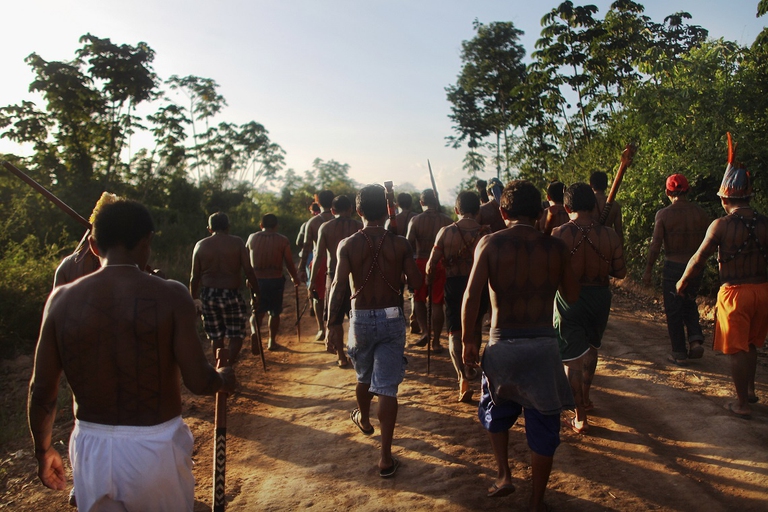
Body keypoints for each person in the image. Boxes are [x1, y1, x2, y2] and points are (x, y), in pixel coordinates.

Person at [28, 199, 237, 511]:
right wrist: (223, 379)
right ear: (147, 241)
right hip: (155, 447)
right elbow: (198, 380)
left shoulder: (61, 300)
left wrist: (42, 451)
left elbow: (41, 389)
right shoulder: (171, 294)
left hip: (90, 447)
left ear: (93, 245)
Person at [462, 180, 579, 510]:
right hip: (543, 345)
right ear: (541, 211)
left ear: (502, 211)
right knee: (544, 425)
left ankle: (504, 475)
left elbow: (472, 295)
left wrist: (469, 339)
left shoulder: (489, 243)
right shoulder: (554, 248)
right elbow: (572, 295)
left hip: (503, 345)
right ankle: (536, 501)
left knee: (494, 411)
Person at [328, 184, 421, 478]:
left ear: (359, 212)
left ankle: (365, 420)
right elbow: (418, 283)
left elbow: (338, 286)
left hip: (360, 320)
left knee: (364, 378)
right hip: (392, 318)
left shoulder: (347, 244)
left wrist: (332, 325)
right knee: (387, 388)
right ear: (387, 210)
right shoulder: (400, 243)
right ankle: (385, 458)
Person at [677, 163, 768, 419]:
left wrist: (682, 281)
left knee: (738, 349)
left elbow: (699, 258)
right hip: (763, 291)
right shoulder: (765, 224)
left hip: (735, 294)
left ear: (725, 198)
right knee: (750, 344)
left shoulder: (721, 225)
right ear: (748, 196)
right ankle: (749, 392)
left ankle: (741, 404)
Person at [552, 183, 626, 434]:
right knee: (592, 348)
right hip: (599, 297)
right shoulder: (610, 236)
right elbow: (621, 271)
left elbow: (549, 273)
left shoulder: (558, 234)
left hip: (568, 299)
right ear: (594, 207)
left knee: (572, 358)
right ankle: (586, 397)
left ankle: (580, 415)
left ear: (567, 207)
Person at [426, 191, 489, 402]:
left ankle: (462, 378)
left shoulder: (445, 232)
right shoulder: (484, 234)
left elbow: (431, 264)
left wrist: (429, 278)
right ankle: (471, 366)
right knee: (475, 327)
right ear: (478, 210)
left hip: (453, 285)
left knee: (455, 332)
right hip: (478, 287)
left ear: (456, 210)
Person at [643, 174, 710, 365]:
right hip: (696, 266)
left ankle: (679, 352)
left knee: (673, 309)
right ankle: (695, 338)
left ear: (667, 192)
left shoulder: (663, 215)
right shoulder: (701, 214)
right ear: (688, 190)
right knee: (689, 301)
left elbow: (656, 245)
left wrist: (648, 269)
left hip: (673, 266)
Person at [190, 212, 259, 362]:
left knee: (216, 336)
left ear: (209, 228)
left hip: (209, 296)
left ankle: (220, 366)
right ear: (228, 227)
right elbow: (249, 271)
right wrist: (257, 292)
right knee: (236, 335)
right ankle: (228, 365)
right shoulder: (237, 243)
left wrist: (194, 299)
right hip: (231, 295)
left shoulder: (200, 245)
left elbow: (194, 277)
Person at [310, 195, 362, 367]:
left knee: (336, 317)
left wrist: (312, 281)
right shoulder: (358, 226)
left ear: (332, 211)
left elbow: (318, 256)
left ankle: (341, 355)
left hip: (334, 275)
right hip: (356, 275)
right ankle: (359, 353)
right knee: (357, 315)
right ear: (350, 209)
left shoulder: (325, 227)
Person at [406, 189, 453, 352]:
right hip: (440, 263)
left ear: (421, 203)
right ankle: (436, 341)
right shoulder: (447, 220)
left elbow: (408, 244)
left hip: (420, 261)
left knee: (419, 299)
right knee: (437, 302)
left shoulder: (416, 220)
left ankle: (426, 332)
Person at [246, 213, 299, 351]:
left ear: (261, 225)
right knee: (274, 313)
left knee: (257, 312)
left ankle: (254, 332)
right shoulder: (282, 240)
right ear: (276, 226)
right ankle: (271, 341)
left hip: (257, 281)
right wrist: (295, 278)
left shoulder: (252, 238)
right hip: (275, 280)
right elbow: (288, 262)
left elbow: (245, 260)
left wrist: (248, 278)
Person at [299, 190, 335, 340]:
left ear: (318, 203)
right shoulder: (338, 220)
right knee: (337, 295)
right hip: (336, 261)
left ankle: (321, 328)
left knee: (317, 296)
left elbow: (306, 247)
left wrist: (301, 268)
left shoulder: (312, 223)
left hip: (318, 264)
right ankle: (333, 326)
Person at [392, 192, 420, 334]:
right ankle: (414, 315)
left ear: (397, 204)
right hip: (414, 258)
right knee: (413, 291)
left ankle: (400, 318)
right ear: (411, 203)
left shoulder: (392, 220)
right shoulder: (417, 219)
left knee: (397, 292)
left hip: (395, 260)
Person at [297, 202, 321, 318]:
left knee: (312, 281)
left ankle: (312, 304)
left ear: (312, 212)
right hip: (327, 256)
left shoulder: (307, 224)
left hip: (312, 255)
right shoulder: (331, 221)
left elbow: (299, 242)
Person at [590, 171, 624, 245]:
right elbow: (619, 232)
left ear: (591, 184)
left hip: (590, 244)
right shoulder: (615, 205)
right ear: (606, 185)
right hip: (608, 244)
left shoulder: (586, 203)